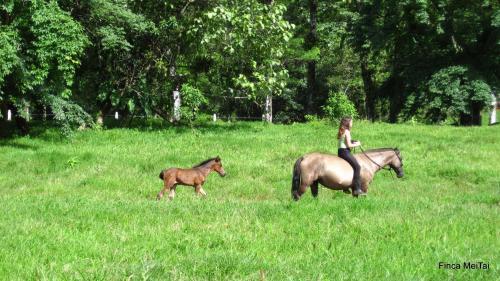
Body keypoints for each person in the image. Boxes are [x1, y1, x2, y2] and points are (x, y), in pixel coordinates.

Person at [337, 117, 365, 196]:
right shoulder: (347, 131)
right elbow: (349, 145)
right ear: (347, 123)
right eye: (351, 122)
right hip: (345, 152)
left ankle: (345, 187)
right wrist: (357, 144)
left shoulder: (341, 130)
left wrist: (352, 141)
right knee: (357, 167)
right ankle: (357, 189)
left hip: (340, 152)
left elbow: (344, 142)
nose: (352, 124)